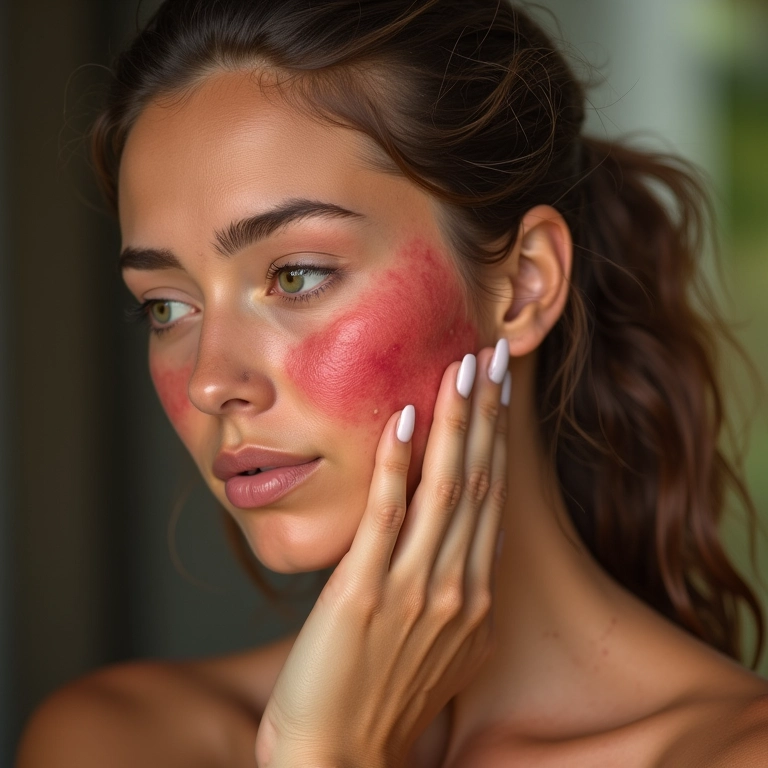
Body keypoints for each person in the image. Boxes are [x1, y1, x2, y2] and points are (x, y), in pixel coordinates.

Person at [15, 0, 768, 765]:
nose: (211, 382)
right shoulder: (117, 741)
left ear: (527, 285)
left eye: (297, 275)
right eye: (167, 306)